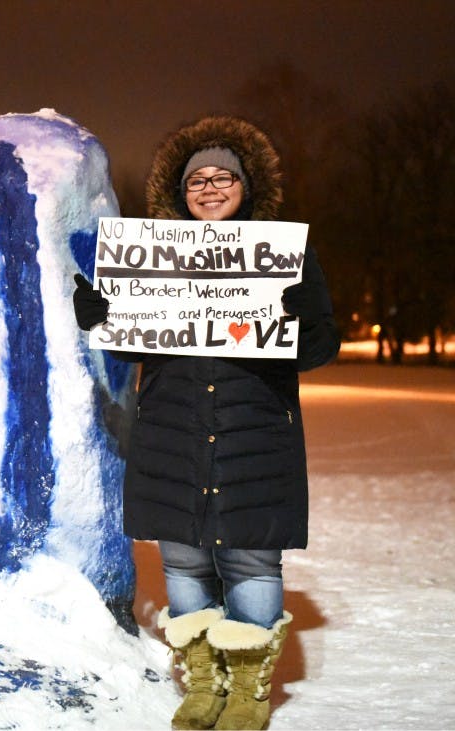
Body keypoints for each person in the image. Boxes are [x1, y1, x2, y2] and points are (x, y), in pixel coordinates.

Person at [72, 116, 339, 730]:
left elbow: (322, 346)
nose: (210, 188)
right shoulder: (154, 259)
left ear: (247, 187)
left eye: (224, 177)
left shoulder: (284, 256)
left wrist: (301, 321)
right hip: (174, 428)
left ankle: (246, 688)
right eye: (198, 180)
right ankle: (202, 683)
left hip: (254, 434)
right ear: (180, 191)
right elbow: (133, 342)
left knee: (251, 561)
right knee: (184, 561)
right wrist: (101, 315)